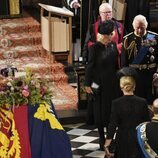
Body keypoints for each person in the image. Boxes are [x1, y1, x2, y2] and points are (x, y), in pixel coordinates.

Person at [85, 20, 119, 150]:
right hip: (97, 84)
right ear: (105, 35)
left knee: (112, 112)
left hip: (112, 83)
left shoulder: (113, 46)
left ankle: (111, 138)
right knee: (99, 112)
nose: (113, 36)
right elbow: (90, 67)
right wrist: (88, 84)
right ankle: (101, 138)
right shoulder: (94, 48)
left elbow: (116, 66)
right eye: (111, 34)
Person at [104, 67, 150, 158]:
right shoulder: (143, 102)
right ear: (134, 86)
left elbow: (112, 125)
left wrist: (107, 144)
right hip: (138, 139)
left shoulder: (116, 103)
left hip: (122, 140)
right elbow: (146, 123)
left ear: (121, 87)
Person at [121, 14, 158, 105]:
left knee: (151, 102)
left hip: (151, 75)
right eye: (137, 28)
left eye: (142, 28)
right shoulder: (127, 39)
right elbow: (124, 62)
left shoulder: (153, 37)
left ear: (146, 26)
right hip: (134, 76)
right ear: (133, 26)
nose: (140, 30)